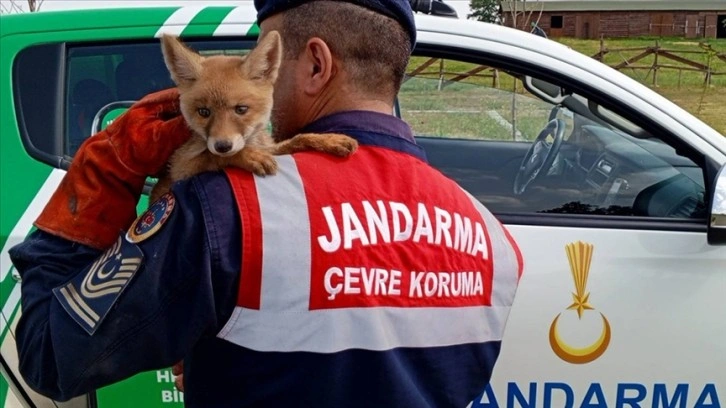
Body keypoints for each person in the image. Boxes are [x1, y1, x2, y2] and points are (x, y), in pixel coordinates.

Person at [9, 0, 523, 406]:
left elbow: (50, 355)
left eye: (271, 60)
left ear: (317, 65)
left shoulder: (224, 209)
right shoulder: (492, 237)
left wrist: (91, 190)